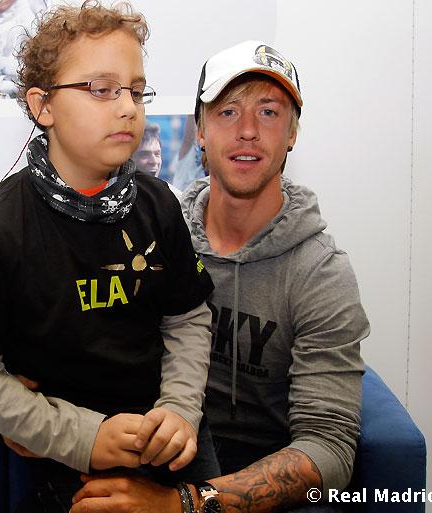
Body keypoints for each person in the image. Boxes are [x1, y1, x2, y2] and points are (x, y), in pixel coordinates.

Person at [0, 2, 217, 510]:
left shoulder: (159, 204)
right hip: (61, 451)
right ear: (43, 106)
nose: (127, 107)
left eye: (135, 90)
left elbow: (188, 318)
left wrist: (179, 410)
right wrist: (83, 436)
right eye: (102, 89)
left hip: (169, 440)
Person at [70, 41, 370, 513]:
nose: (248, 131)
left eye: (268, 112)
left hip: (269, 474)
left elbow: (329, 448)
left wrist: (186, 504)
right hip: (154, 448)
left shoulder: (321, 273)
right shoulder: (151, 237)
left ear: (292, 133)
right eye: (228, 112)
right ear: (201, 132)